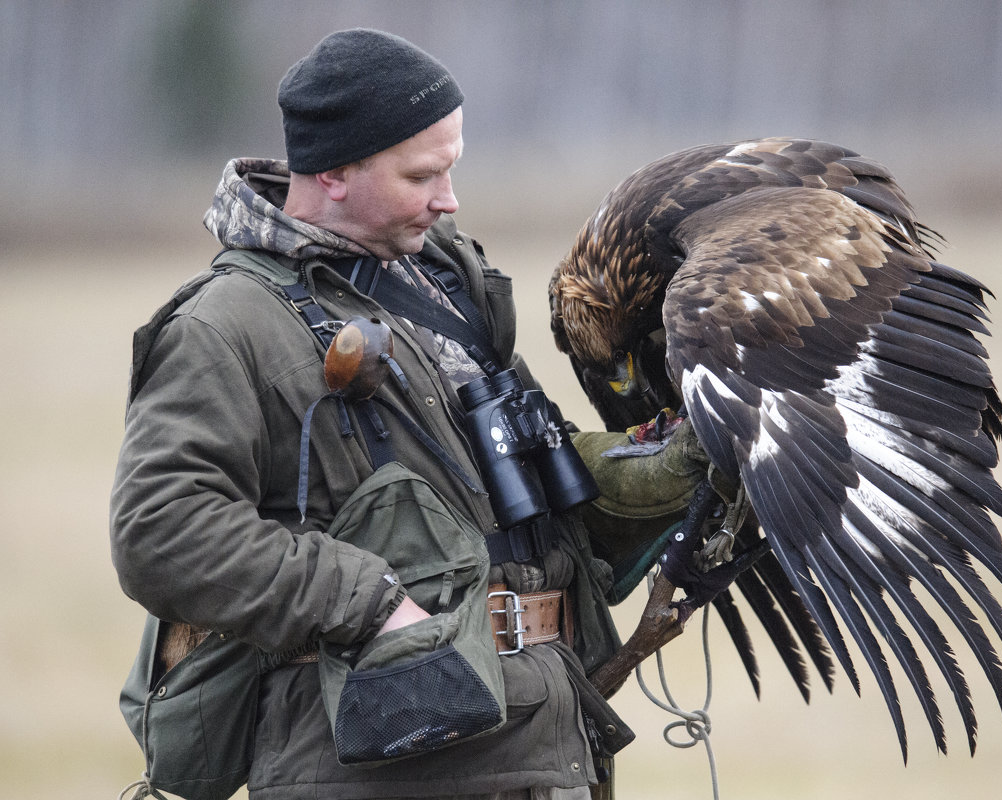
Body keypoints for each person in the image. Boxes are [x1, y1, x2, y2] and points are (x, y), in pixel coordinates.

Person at [110, 28, 710, 800]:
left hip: (541, 747)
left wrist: (667, 467)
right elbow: (159, 530)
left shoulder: (446, 286)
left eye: (451, 167)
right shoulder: (225, 326)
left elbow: (508, 485)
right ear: (331, 172)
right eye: (422, 174)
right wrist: (367, 601)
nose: (448, 197)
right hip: (378, 764)